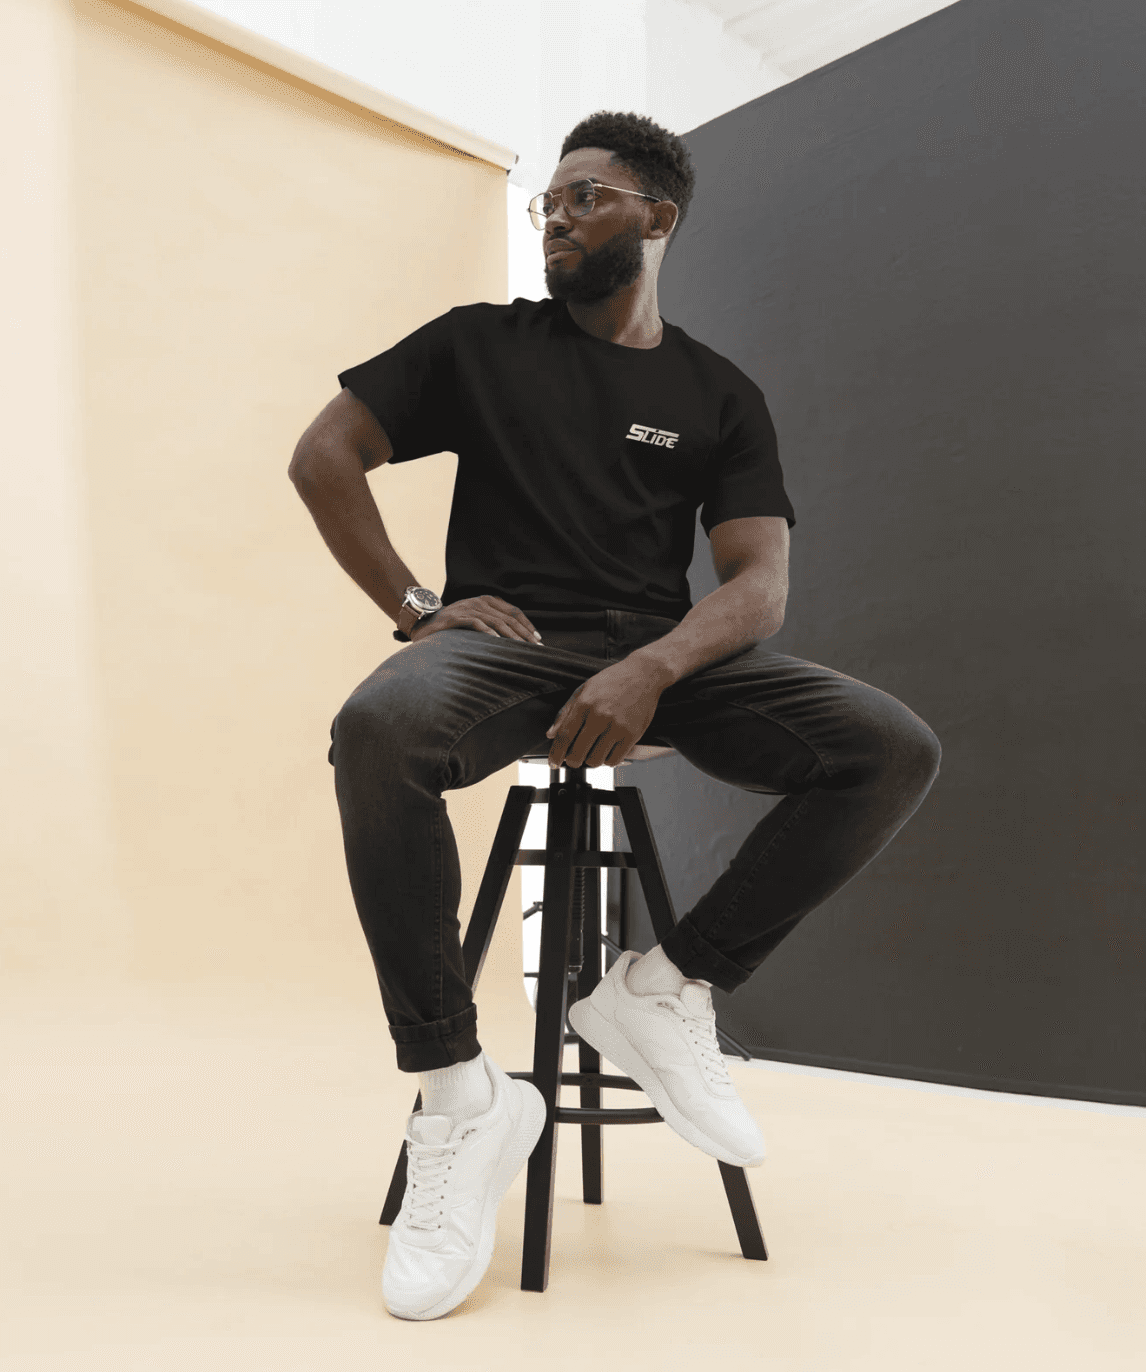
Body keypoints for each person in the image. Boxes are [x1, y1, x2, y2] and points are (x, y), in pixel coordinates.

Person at [289, 111, 941, 1321]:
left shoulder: (718, 392)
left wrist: (653, 668)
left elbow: (758, 586)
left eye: (584, 198)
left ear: (657, 216)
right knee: (377, 729)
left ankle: (665, 985)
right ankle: (460, 1095)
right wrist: (420, 608)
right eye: (548, 202)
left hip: (660, 656)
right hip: (506, 649)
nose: (557, 218)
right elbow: (323, 453)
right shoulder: (481, 344)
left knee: (889, 747)